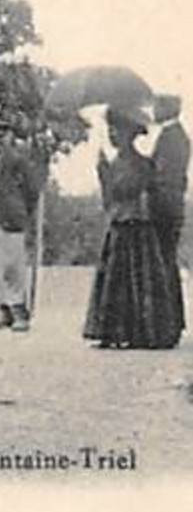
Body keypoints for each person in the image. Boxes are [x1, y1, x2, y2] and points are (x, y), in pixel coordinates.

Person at [83, 106, 184, 349]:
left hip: (135, 225)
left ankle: (136, 332)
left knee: (130, 279)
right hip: (122, 223)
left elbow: (124, 191)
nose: (112, 136)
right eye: (110, 131)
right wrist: (104, 172)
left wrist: (106, 173)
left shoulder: (139, 163)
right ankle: (118, 332)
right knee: (120, 279)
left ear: (129, 134)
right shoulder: (124, 161)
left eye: (116, 131)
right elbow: (111, 199)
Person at [0, 121, 46, 332]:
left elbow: (33, 190)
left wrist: (21, 211)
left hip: (10, 219)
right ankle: (4, 308)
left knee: (12, 265)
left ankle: (20, 311)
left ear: (11, 137)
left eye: (2, 135)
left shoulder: (18, 161)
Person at [149, 94, 187, 269]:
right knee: (165, 258)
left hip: (164, 206)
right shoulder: (176, 135)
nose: (154, 111)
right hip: (172, 204)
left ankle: (167, 296)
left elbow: (163, 174)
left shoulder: (171, 137)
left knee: (162, 258)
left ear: (167, 109)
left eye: (157, 106)